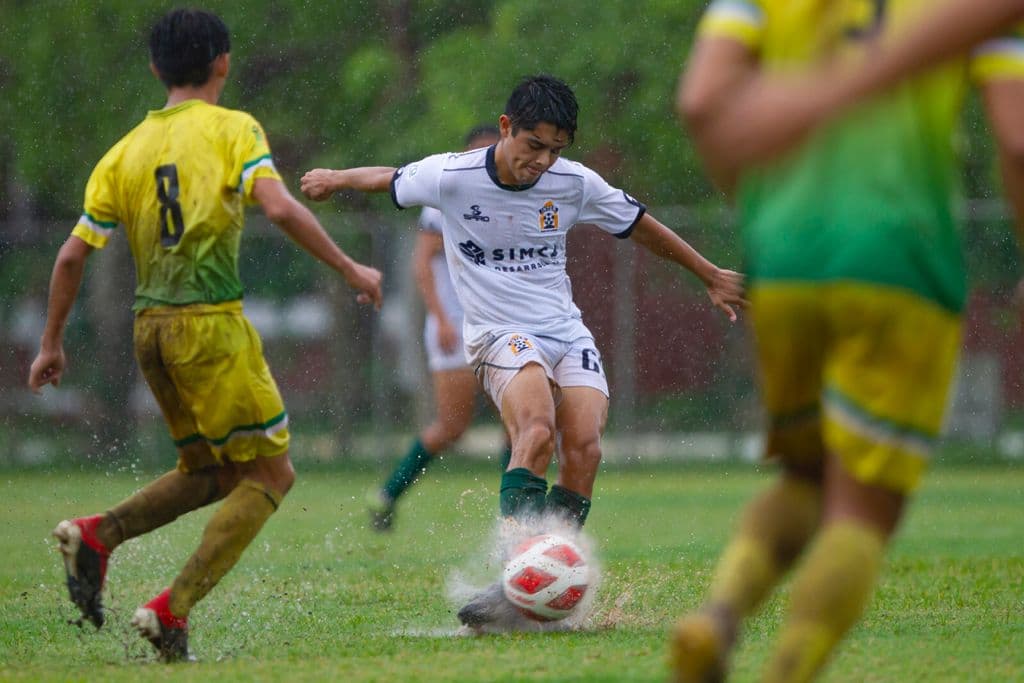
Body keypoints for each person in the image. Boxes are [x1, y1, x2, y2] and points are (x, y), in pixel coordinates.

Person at [302, 74, 746, 630]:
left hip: (565, 330)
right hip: (497, 333)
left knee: (584, 448)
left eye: (555, 151)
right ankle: (517, 577)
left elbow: (638, 225)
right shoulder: (452, 175)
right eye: (533, 146)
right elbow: (387, 179)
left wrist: (708, 274)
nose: (542, 162)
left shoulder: (574, 183)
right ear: (507, 128)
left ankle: (546, 579)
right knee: (535, 432)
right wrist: (334, 178)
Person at [672, 1, 1024, 681]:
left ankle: (715, 616)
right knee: (863, 505)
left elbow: (701, 103)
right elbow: (1017, 140)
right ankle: (788, 669)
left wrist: (759, 202)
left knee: (804, 476)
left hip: (786, 251)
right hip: (901, 255)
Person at [27, 8, 382, 662]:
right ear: (223, 61)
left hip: (149, 331)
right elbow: (276, 204)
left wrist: (51, 342)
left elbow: (73, 255)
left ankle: (97, 534)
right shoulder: (233, 128)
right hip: (210, 326)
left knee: (212, 472)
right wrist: (349, 265)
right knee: (272, 473)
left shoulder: (123, 151)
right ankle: (171, 609)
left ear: (156, 68)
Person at [366, 124, 512, 532]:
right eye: (478, 152)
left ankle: (514, 518)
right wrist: (442, 319)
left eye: (492, 150)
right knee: (452, 426)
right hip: (455, 327)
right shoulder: (446, 195)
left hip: (501, 325)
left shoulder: (515, 194)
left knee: (519, 422)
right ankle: (387, 494)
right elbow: (421, 264)